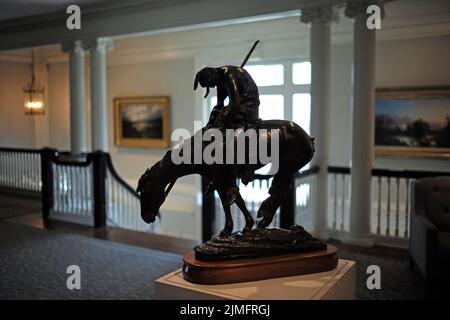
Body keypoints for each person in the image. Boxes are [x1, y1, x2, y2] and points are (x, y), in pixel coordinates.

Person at [194, 65, 260, 204]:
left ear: (213, 76)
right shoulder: (220, 79)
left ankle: (234, 183)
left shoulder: (229, 75)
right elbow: (220, 104)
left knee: (230, 138)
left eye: (211, 85)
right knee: (214, 120)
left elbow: (235, 104)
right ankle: (219, 174)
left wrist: (222, 125)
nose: (212, 87)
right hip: (236, 105)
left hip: (247, 105)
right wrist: (213, 121)